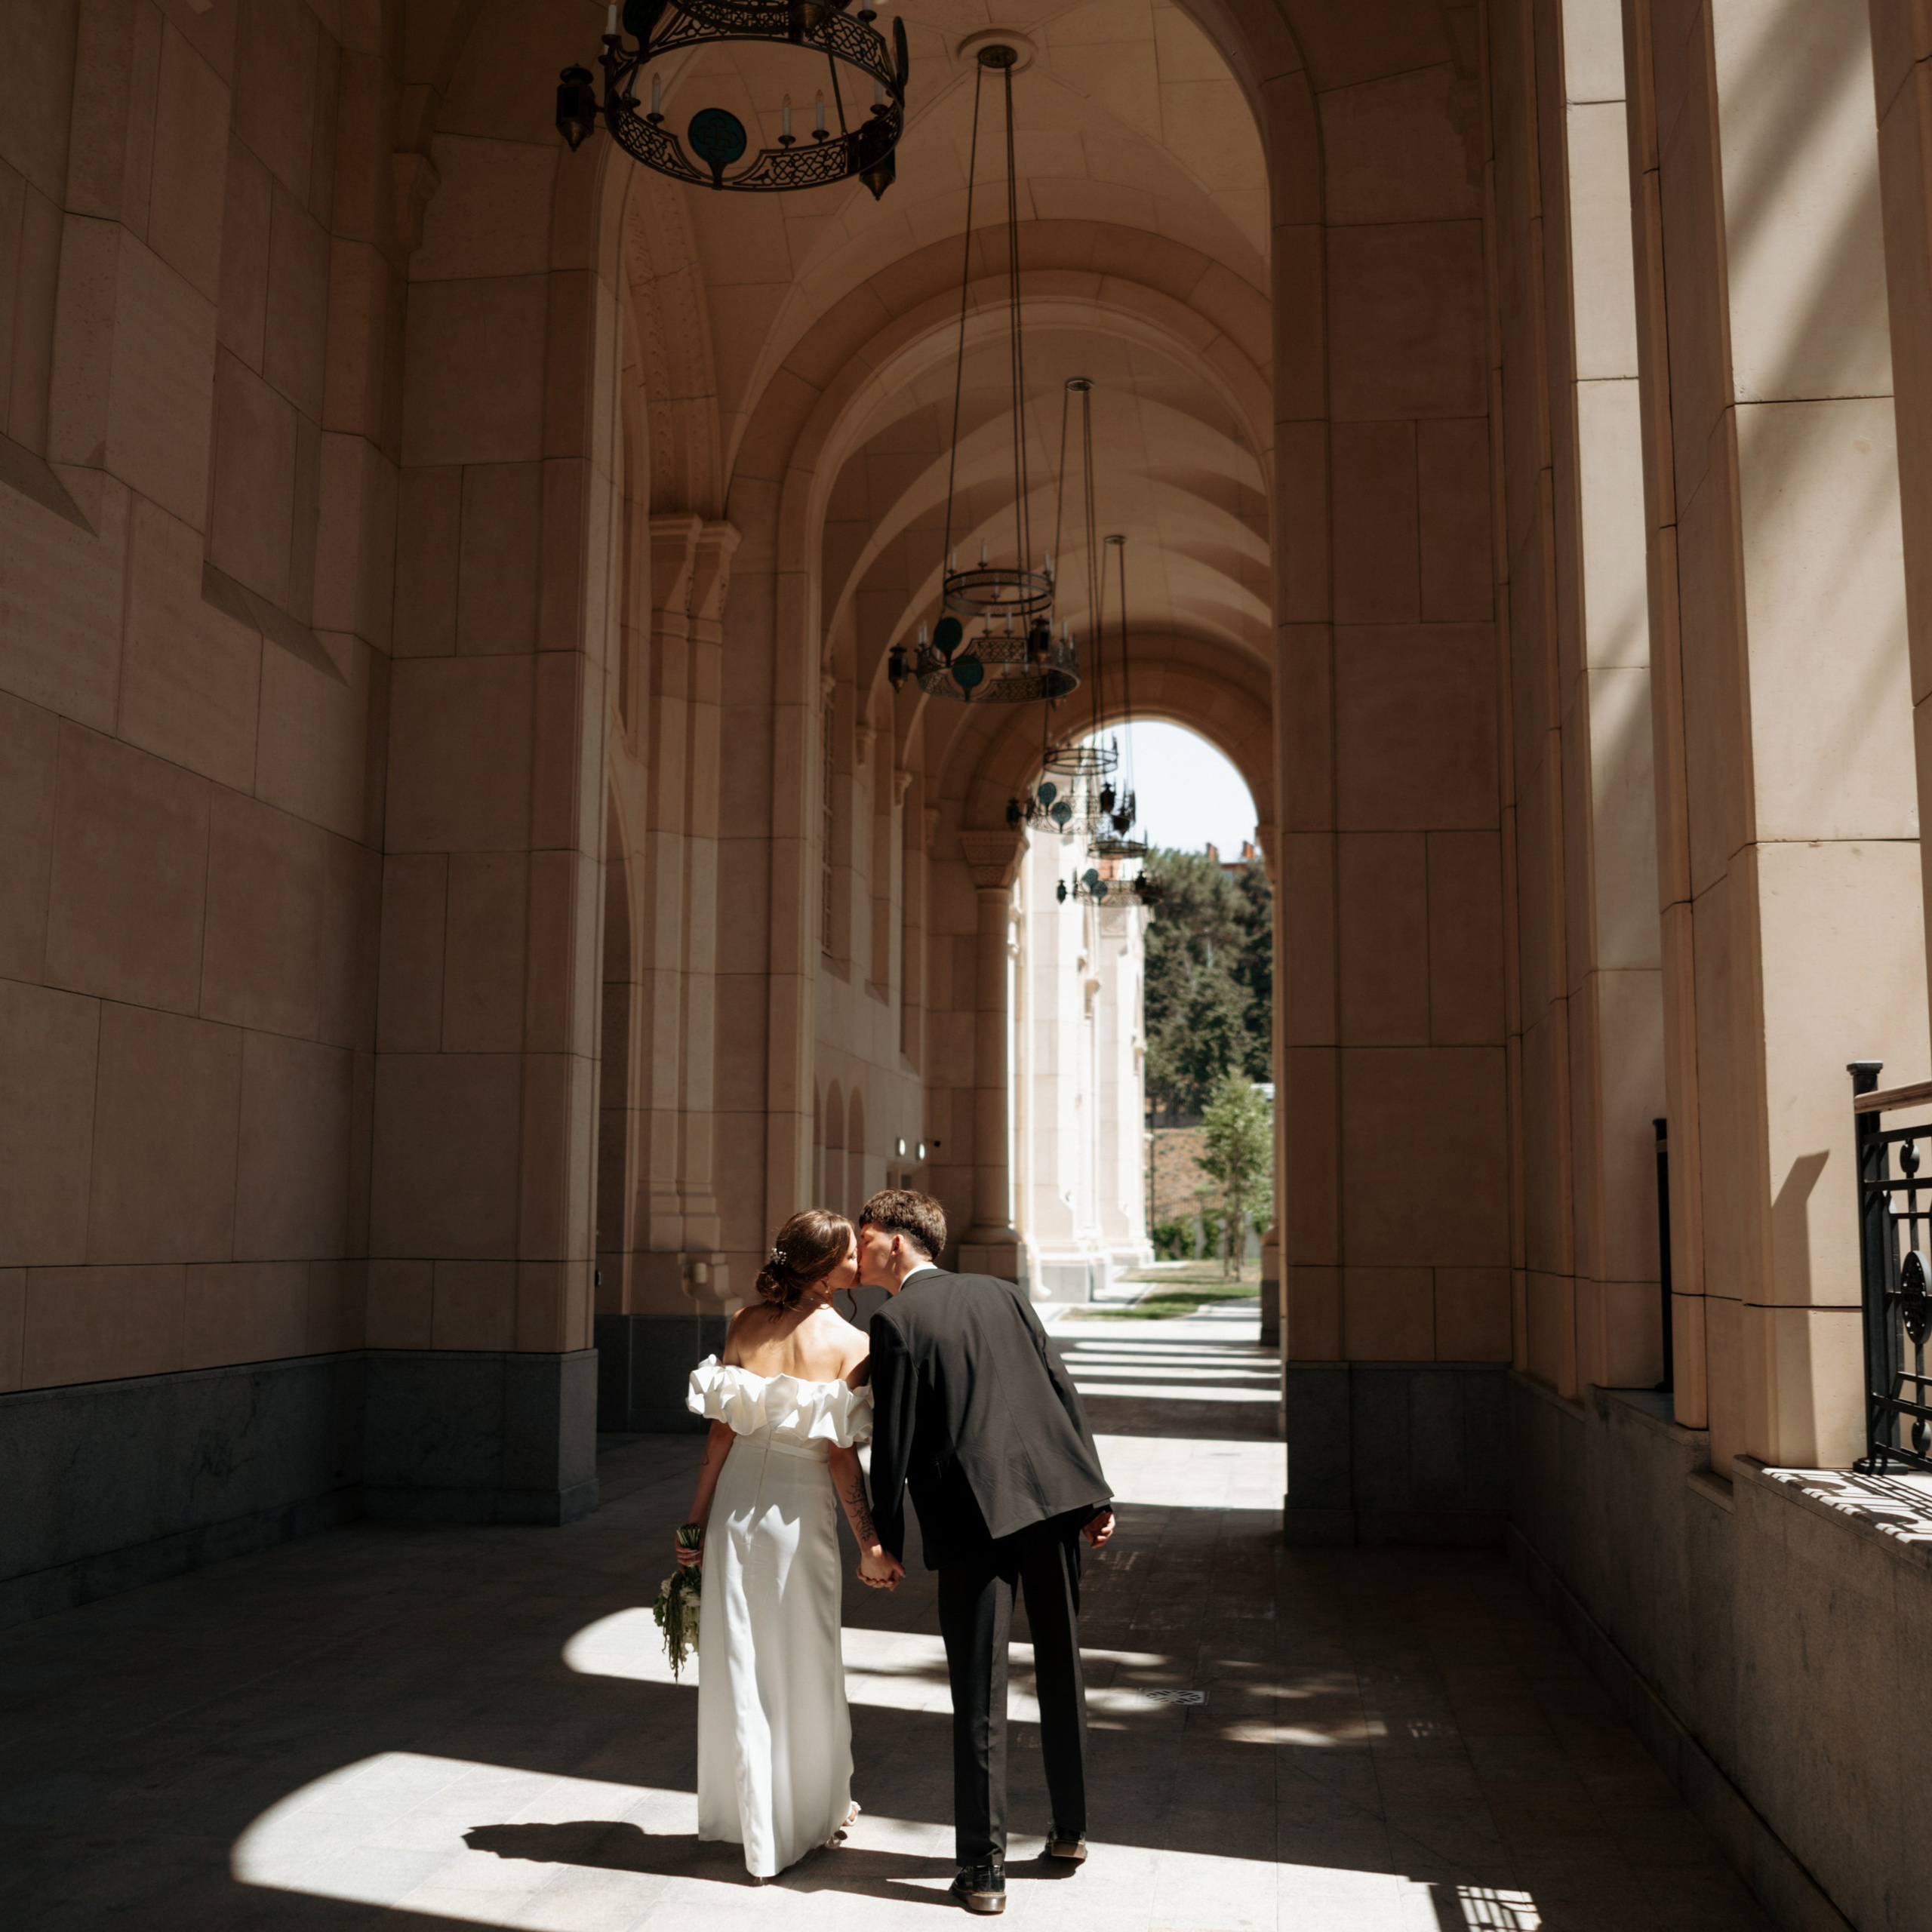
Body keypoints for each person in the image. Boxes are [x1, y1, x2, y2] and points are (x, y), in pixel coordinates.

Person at [857, 1189, 1115, 1917]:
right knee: (1061, 1667)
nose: (860, 1245)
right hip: (1056, 1501)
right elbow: (1061, 1389)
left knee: (981, 1691)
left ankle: (983, 1869)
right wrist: (1095, 1494)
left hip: (977, 1518)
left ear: (898, 1242)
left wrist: (884, 1539)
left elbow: (894, 1446)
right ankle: (1070, 1832)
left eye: (866, 1234)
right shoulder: (1004, 1293)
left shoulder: (896, 1318)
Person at [678, 1209, 903, 1880]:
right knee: (803, 1656)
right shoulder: (851, 1344)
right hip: (797, 1515)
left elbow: (720, 1437)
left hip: (736, 1507)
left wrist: (694, 1523)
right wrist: (869, 1542)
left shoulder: (745, 1325)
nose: (859, 1263)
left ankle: (749, 1818)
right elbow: (840, 1457)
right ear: (825, 1267)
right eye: (848, 1254)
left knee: (740, 1656)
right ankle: (800, 1817)